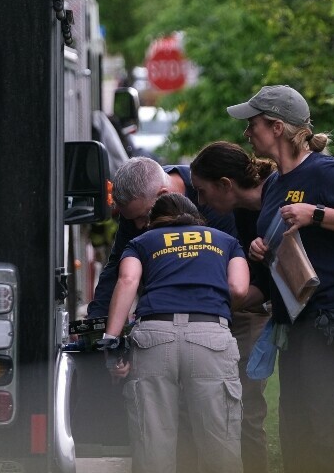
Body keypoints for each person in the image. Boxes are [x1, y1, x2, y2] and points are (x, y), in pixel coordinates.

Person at [227, 85, 334, 473]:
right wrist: (262, 250)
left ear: (278, 127)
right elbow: (290, 242)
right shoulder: (273, 184)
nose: (247, 133)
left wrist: (316, 213)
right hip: (297, 323)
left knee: (333, 437)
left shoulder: (323, 170)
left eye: (252, 125)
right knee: (298, 439)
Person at [101, 193, 250, 473]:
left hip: (154, 337)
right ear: (195, 216)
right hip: (210, 337)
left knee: (152, 444)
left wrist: (111, 339)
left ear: (154, 221)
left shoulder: (141, 242)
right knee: (220, 443)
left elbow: (128, 280)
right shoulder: (226, 241)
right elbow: (239, 289)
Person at [190, 141, 275, 473]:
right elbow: (263, 282)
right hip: (255, 306)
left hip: (316, 309)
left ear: (225, 184)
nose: (201, 201)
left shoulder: (276, 198)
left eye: (203, 191)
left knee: (248, 410)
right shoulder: (240, 211)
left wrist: (222, 300)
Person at [87, 156, 236, 319]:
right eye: (131, 219)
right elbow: (117, 266)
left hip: (222, 309)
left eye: (143, 217)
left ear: (162, 195)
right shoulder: (138, 204)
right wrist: (96, 318)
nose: (138, 227)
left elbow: (233, 264)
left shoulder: (208, 195)